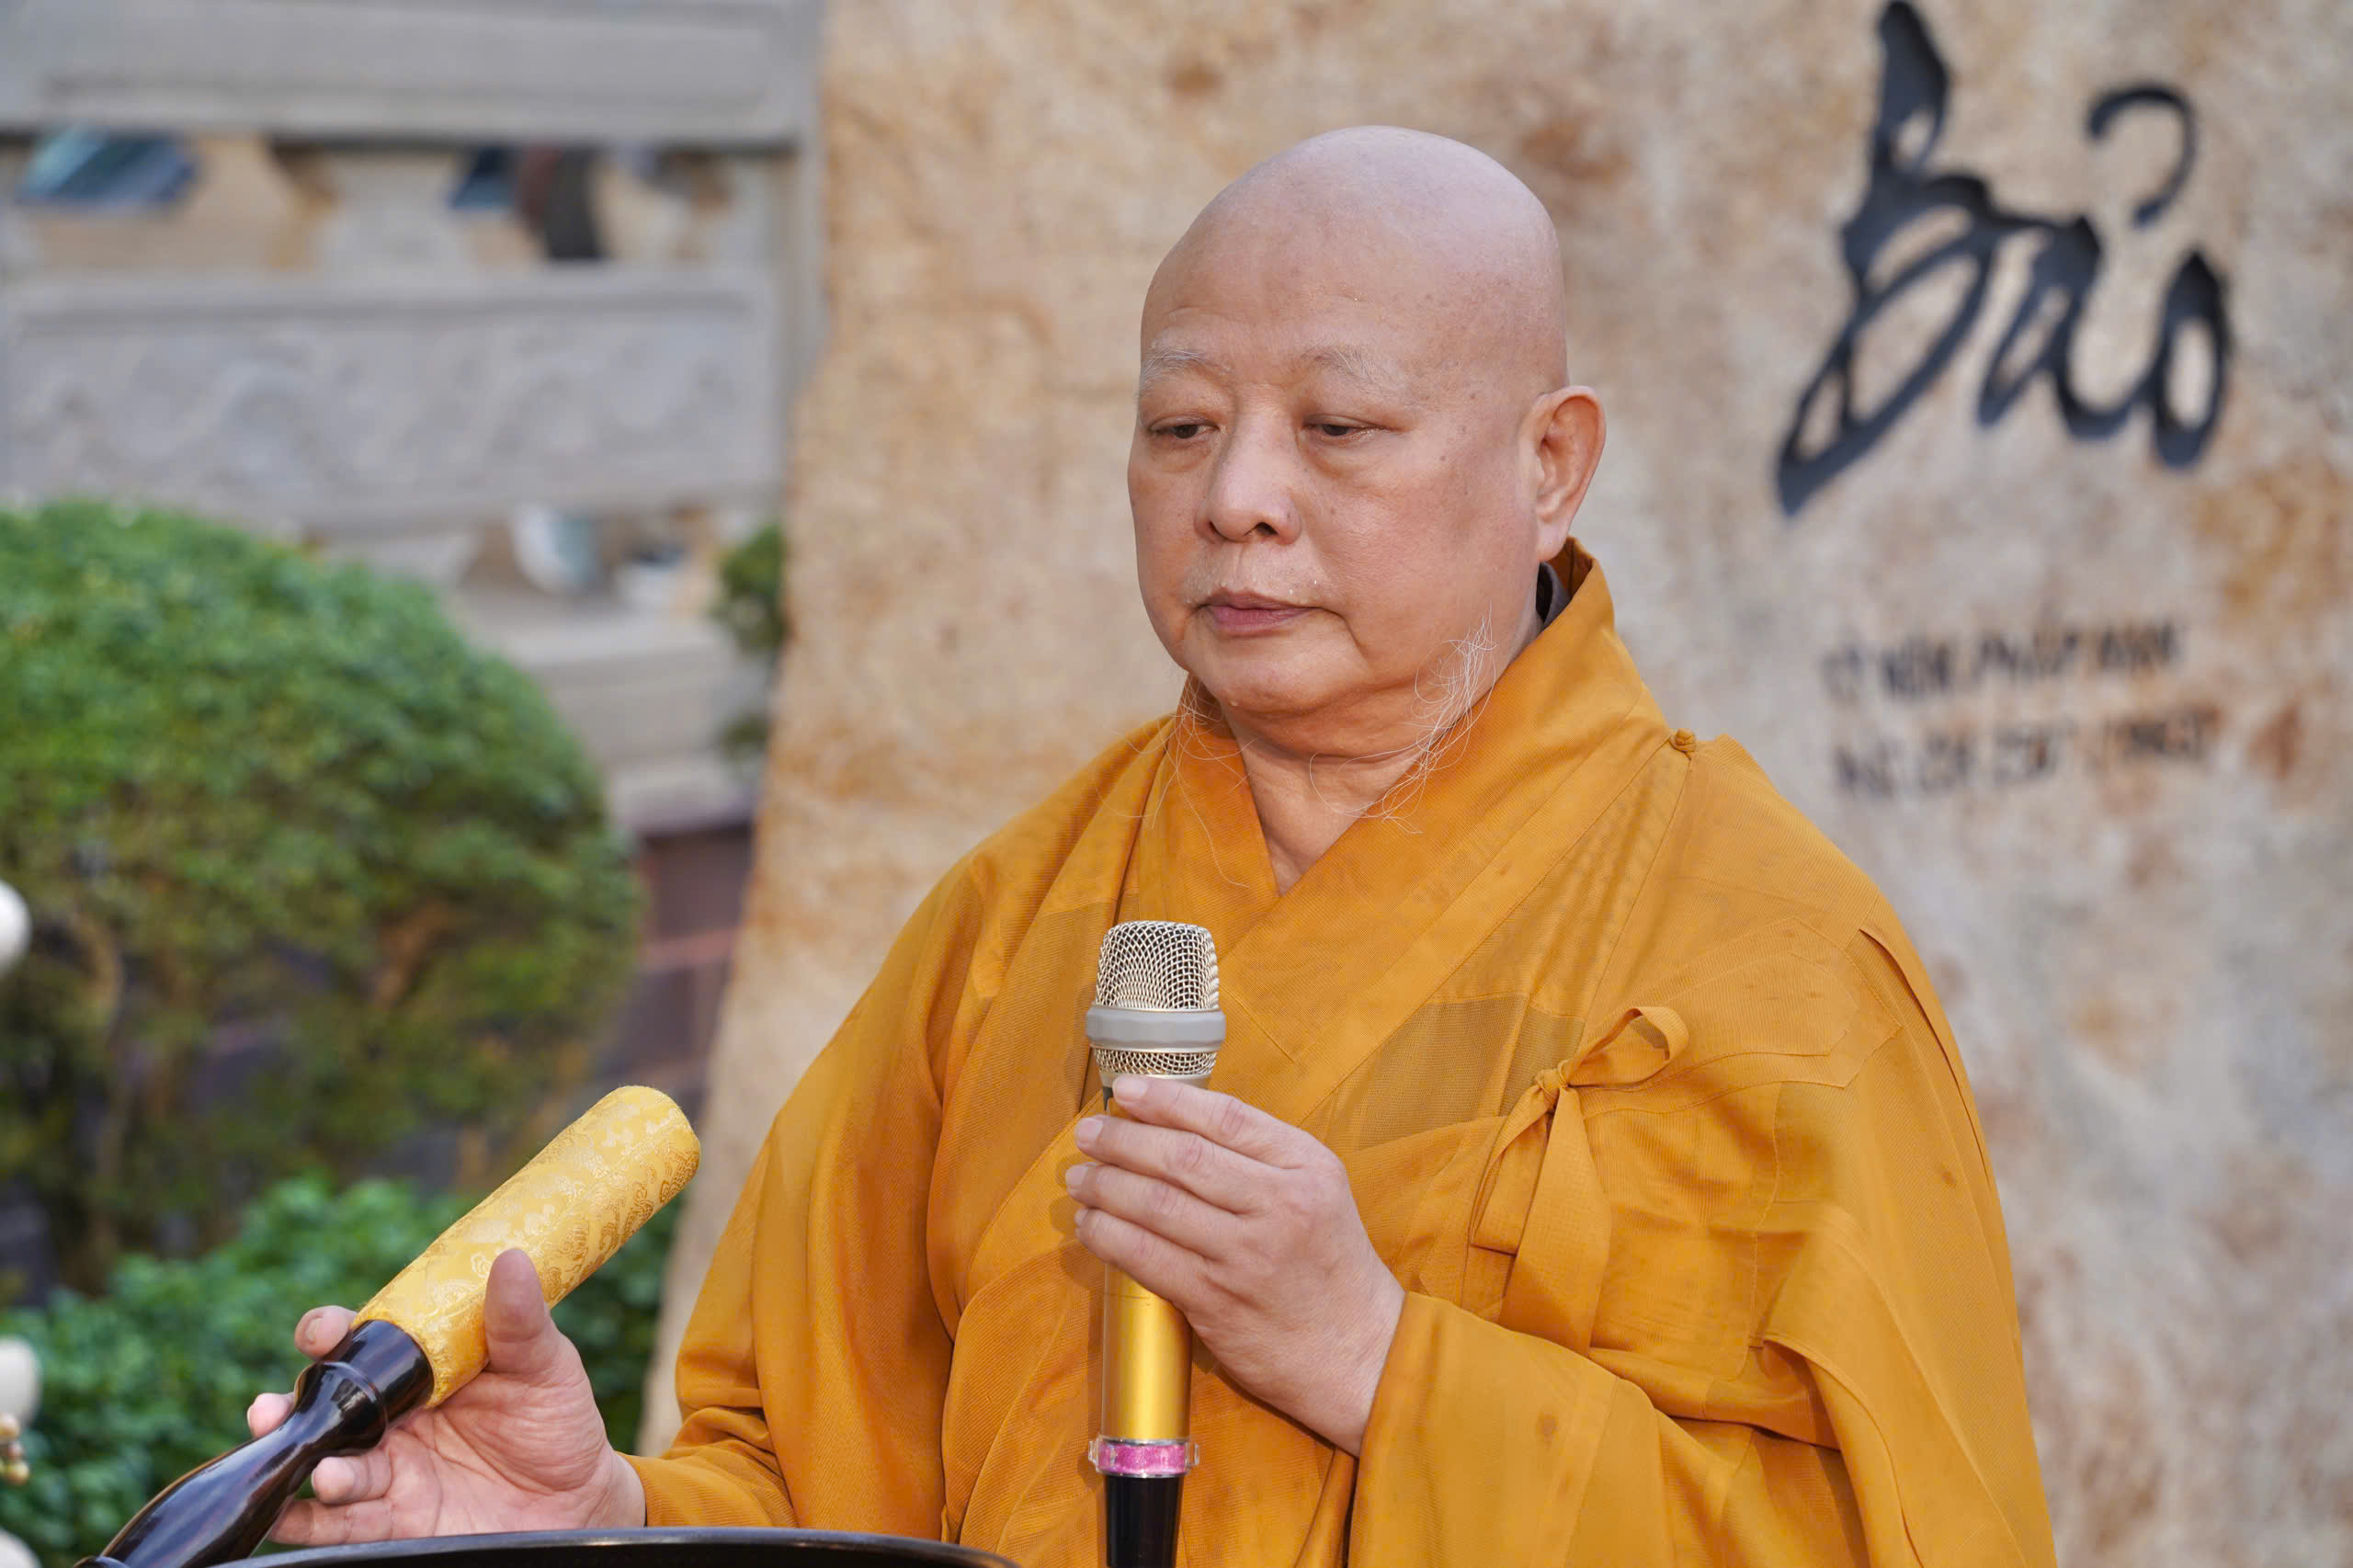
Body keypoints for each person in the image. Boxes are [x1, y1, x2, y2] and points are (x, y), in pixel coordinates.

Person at [250, 127, 2058, 1566]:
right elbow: (821, 1477)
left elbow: (1886, 1532)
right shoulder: (1015, 918)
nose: (1237, 497)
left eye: (1339, 426)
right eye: (1180, 426)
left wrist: (1374, 1358)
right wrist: (602, 1515)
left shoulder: (1767, 958)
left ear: (1550, 467)